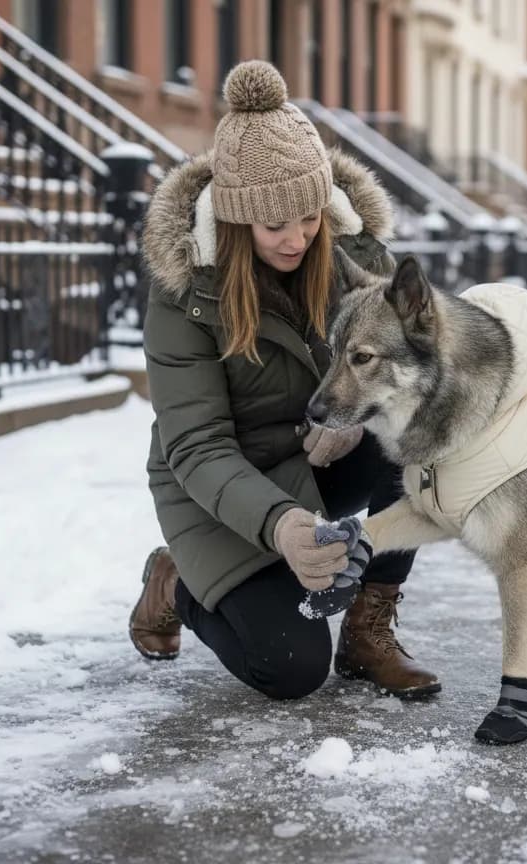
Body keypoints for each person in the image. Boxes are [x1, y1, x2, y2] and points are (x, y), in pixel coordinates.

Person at [127, 61, 439, 701]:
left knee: (411, 441)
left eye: (309, 219)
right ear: (240, 220)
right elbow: (196, 446)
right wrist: (280, 525)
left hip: (316, 457)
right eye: (275, 226)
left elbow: (410, 372)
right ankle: (175, 580)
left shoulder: (359, 258)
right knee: (290, 669)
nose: (298, 238)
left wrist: (355, 422)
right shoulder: (184, 291)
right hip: (219, 483)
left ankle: (367, 632)